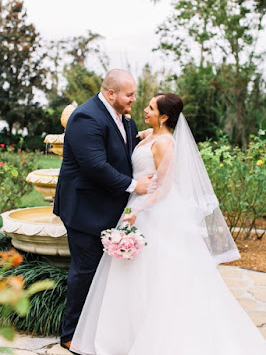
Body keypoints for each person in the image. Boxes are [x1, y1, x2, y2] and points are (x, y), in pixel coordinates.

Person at [71, 93, 266, 355]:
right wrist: (142, 136)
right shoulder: (149, 135)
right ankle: (126, 335)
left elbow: (164, 187)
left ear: (164, 116)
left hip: (154, 212)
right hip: (136, 206)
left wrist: (137, 211)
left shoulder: (165, 143)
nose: (145, 109)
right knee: (131, 274)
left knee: (158, 274)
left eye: (151, 107)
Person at [53, 69, 154, 351]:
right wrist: (135, 185)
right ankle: (70, 334)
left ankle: (95, 327)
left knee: (103, 273)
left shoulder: (123, 118)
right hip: (84, 209)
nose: (134, 99)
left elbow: (124, 151)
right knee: (85, 271)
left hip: (109, 208)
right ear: (111, 94)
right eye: (129, 94)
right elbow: (95, 166)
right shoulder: (86, 117)